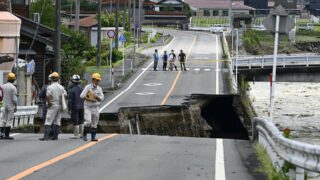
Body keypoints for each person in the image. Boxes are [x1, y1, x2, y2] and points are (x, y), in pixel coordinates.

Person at [39, 72, 67, 141]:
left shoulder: (50, 87)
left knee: (48, 121)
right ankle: (55, 137)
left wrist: (49, 103)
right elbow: (65, 95)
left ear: (51, 78)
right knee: (57, 121)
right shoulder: (61, 87)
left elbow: (48, 96)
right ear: (58, 78)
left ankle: (46, 137)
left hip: (52, 104)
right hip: (59, 105)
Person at [80, 73, 104, 141]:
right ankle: (84, 135)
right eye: (96, 80)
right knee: (88, 121)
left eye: (98, 80)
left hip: (95, 107)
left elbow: (102, 98)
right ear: (93, 80)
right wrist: (89, 99)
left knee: (95, 123)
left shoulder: (99, 89)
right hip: (88, 106)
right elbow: (81, 96)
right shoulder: (88, 87)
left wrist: (96, 97)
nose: (98, 82)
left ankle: (93, 137)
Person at [0, 73, 17, 140]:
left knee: (3, 119)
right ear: (13, 79)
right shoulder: (13, 88)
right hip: (10, 106)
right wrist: (16, 106)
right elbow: (14, 99)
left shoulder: (3, 86)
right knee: (9, 120)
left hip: (4, 105)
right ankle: (7, 135)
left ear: (8, 79)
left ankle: (1, 134)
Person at [68, 74, 84, 139]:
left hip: (75, 107)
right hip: (82, 106)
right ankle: (82, 134)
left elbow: (70, 101)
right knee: (81, 120)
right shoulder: (82, 89)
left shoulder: (71, 91)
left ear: (73, 82)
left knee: (75, 120)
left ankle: (76, 134)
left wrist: (69, 109)